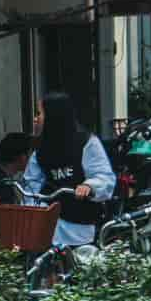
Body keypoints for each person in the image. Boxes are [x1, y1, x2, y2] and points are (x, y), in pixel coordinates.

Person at [21, 91, 116, 248]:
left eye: (39, 113)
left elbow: (104, 176)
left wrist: (89, 186)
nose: (35, 119)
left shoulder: (86, 143)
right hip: (52, 225)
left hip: (81, 225)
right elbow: (31, 185)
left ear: (54, 116)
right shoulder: (40, 152)